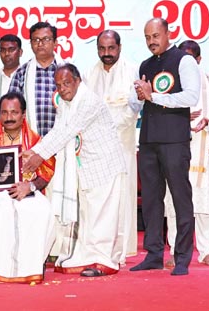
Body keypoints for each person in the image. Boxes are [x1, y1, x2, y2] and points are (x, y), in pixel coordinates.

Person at [23, 64, 127, 277]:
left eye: (67, 83)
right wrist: (34, 151)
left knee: (103, 215)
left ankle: (105, 261)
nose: (62, 89)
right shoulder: (65, 103)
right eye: (58, 85)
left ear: (78, 81)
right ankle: (89, 258)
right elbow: (57, 130)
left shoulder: (88, 101)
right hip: (86, 166)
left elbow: (69, 131)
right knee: (90, 215)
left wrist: (39, 157)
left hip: (105, 165)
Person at [129, 18, 200, 276]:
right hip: (148, 140)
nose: (151, 41)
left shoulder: (184, 60)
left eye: (156, 35)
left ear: (169, 33)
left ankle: (182, 258)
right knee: (150, 200)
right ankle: (153, 254)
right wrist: (139, 97)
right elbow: (137, 104)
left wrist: (155, 96)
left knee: (181, 198)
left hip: (174, 140)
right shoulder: (145, 65)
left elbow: (191, 96)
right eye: (147, 37)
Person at [0, 92, 56, 284]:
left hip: (27, 192)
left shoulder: (36, 142)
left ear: (23, 114)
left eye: (14, 112)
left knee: (42, 209)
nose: (8, 117)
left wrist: (30, 186)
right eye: (4, 112)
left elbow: (46, 174)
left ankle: (29, 269)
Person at [164, 41, 209, 267]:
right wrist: (180, 118)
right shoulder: (170, 83)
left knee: (205, 202)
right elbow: (160, 111)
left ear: (199, 60)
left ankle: (206, 251)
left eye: (191, 59)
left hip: (205, 149)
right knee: (175, 201)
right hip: (176, 148)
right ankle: (176, 250)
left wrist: (207, 120)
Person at [83, 29, 140, 263]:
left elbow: (133, 109)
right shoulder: (88, 74)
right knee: (98, 200)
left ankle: (121, 252)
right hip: (95, 151)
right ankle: (98, 249)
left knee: (123, 199)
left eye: (111, 48)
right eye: (102, 48)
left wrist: (106, 128)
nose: (106, 53)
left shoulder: (132, 71)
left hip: (122, 146)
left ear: (119, 47)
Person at [9, 22, 59, 136]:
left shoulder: (68, 72)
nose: (40, 44)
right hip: (30, 141)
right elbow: (12, 109)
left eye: (46, 39)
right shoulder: (21, 73)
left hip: (63, 141)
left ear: (55, 42)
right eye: (36, 40)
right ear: (31, 44)